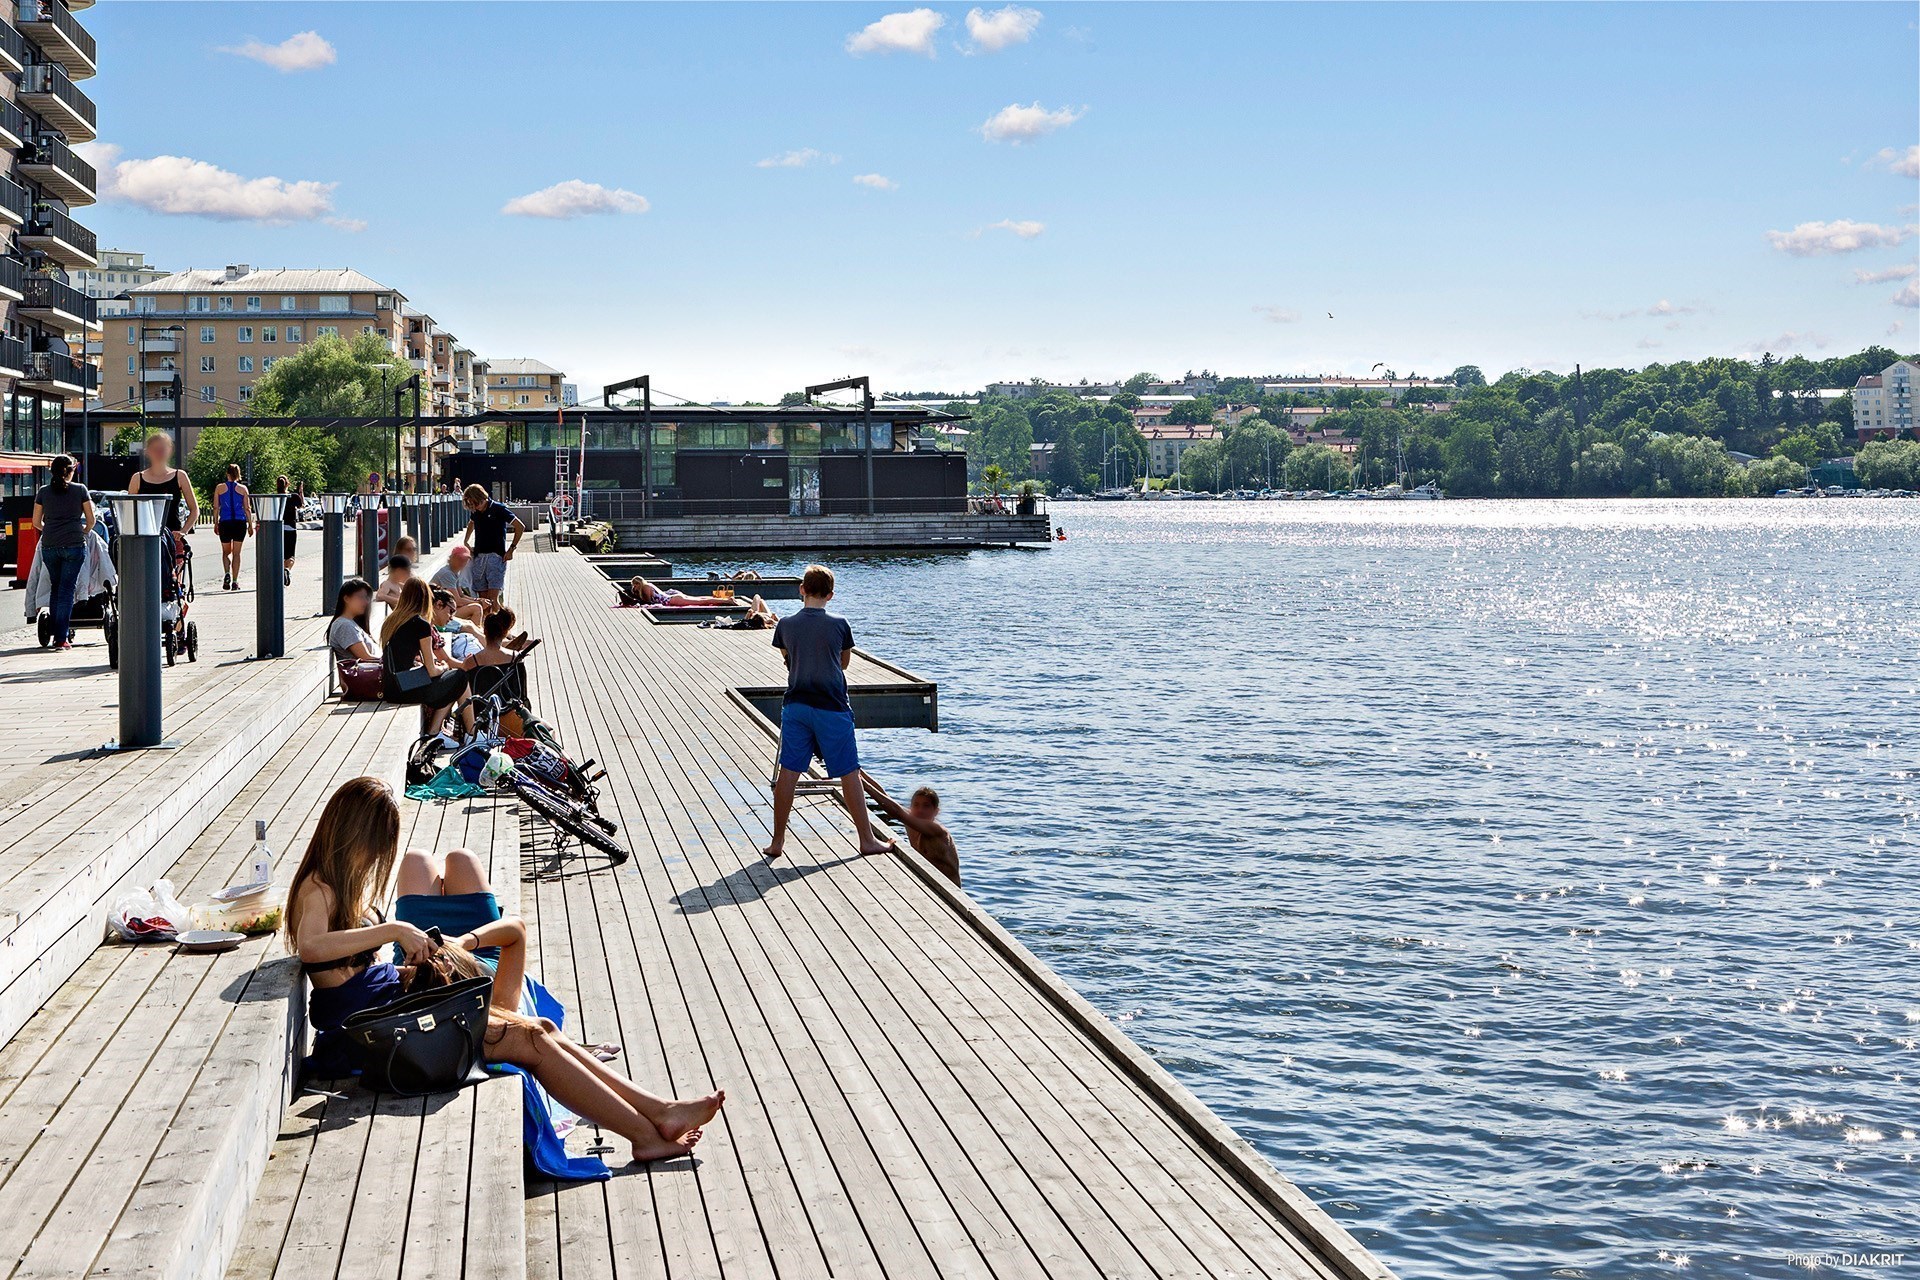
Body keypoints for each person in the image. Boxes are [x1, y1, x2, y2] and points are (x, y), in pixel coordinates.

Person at [285, 776, 724, 1164]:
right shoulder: (318, 886)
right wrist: (395, 929)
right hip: (374, 1038)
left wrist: (408, 963)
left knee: (542, 1027)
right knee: (529, 1039)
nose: (378, 855)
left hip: (391, 1009)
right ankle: (645, 1135)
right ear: (353, 834)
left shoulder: (338, 887)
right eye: (377, 843)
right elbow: (311, 947)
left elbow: (347, 967)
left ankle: (660, 1111)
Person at [763, 565, 892, 861]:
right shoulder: (839, 624)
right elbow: (844, 663)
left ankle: (777, 841)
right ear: (831, 595)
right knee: (848, 772)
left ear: (801, 590)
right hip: (832, 706)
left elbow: (788, 660)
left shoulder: (785, 624)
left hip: (796, 705)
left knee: (789, 772)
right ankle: (867, 840)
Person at [379, 576, 475, 745]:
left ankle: (449, 732)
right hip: (405, 690)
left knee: (451, 680)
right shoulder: (421, 624)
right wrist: (444, 667)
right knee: (459, 677)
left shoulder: (392, 621)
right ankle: (455, 733)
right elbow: (432, 670)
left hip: (391, 688)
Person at [32, 454, 95, 651]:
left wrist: (50, 530)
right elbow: (91, 520)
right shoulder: (80, 490)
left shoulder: (43, 491)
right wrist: (82, 531)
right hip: (74, 544)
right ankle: (61, 638)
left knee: (56, 588)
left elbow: (36, 522)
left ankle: (55, 635)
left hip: (50, 545)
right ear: (71, 470)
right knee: (67, 590)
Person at [127, 433, 197, 604]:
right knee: (146, 581)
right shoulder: (138, 478)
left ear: (169, 450)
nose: (159, 452)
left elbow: (195, 509)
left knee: (173, 583)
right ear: (147, 452)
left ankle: (175, 617)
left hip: (173, 539)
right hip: (144, 538)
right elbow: (129, 512)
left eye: (162, 448)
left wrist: (183, 531)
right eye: (155, 449)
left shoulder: (179, 476)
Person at [862, 777, 960, 885]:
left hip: (949, 892)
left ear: (936, 811)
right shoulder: (911, 821)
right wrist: (857, 771)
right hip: (926, 881)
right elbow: (885, 797)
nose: (920, 810)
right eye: (916, 805)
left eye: (926, 806)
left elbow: (896, 812)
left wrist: (865, 785)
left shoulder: (936, 830)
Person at [462, 484, 523, 608]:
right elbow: (471, 523)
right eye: (471, 505)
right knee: (482, 600)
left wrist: (511, 549)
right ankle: (484, 625)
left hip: (496, 557)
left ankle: (501, 625)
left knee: (493, 598)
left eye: (475, 504)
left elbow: (520, 526)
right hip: (479, 557)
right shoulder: (476, 512)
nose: (475, 508)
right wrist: (466, 541)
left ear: (481, 498)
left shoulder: (498, 508)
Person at [212, 463, 253, 591]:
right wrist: (250, 525)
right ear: (238, 474)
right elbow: (247, 508)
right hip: (239, 523)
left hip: (225, 522)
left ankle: (227, 573)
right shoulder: (243, 489)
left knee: (225, 552)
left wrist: (215, 522)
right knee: (237, 553)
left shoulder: (219, 488)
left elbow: (216, 507)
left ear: (227, 473)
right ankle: (235, 581)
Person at [328, 578, 378, 662]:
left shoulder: (351, 623)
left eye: (367, 598)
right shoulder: (344, 625)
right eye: (361, 597)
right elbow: (366, 658)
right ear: (346, 599)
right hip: (364, 673)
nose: (366, 602)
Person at [430, 588, 484, 663]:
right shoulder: (424, 627)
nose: (452, 618)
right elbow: (432, 669)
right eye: (451, 611)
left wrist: (465, 665)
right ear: (439, 604)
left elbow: (446, 660)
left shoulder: (432, 630)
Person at [631, 576, 735, 608]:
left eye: (634, 585)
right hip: (673, 597)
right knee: (700, 599)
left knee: (701, 602)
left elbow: (648, 602)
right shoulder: (649, 584)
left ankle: (727, 601)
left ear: (638, 584)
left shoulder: (645, 588)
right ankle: (725, 599)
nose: (634, 587)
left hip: (672, 600)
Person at [277, 475, 303, 587]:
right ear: (288, 484)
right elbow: (302, 505)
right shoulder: (293, 496)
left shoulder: (275, 497)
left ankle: (282, 572)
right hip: (291, 528)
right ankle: (287, 570)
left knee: (281, 554)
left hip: (278, 529)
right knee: (290, 555)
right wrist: (301, 491)